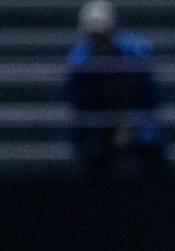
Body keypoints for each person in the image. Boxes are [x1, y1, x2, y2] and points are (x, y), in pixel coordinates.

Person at [66, 0, 164, 177]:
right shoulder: (78, 61)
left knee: (151, 142)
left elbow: (148, 100)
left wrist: (129, 129)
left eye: (104, 34)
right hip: (97, 134)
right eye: (95, 36)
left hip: (137, 129)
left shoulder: (137, 53)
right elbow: (81, 106)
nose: (100, 40)